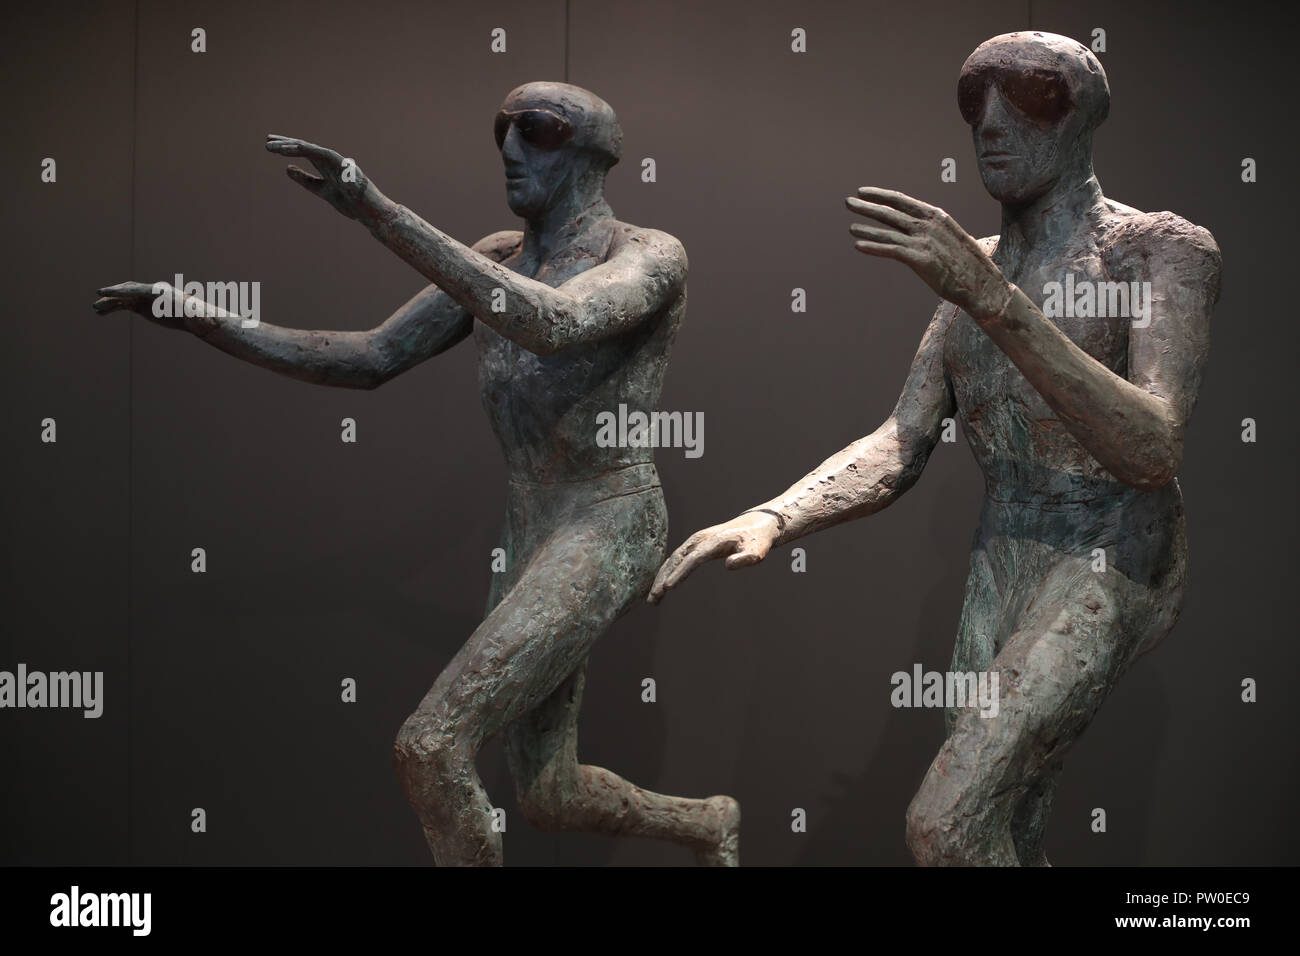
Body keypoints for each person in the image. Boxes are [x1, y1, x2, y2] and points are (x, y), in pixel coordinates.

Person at [95, 81, 740, 867]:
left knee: (431, 747)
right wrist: (198, 314)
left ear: (595, 153)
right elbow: (370, 357)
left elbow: (552, 320)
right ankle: (709, 824)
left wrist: (376, 208)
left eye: (535, 130)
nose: (508, 146)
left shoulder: (647, 254)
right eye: (502, 127)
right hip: (532, 526)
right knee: (550, 795)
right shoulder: (498, 257)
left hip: (607, 520)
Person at [649, 33, 1220, 866]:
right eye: (973, 98)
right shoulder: (973, 275)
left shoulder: (1157, 249)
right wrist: (778, 515)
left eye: (1029, 93)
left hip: (1108, 554)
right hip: (1004, 556)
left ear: (1085, 114)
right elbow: (900, 441)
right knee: (1001, 824)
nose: (991, 121)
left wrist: (992, 300)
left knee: (945, 825)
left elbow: (1152, 448)